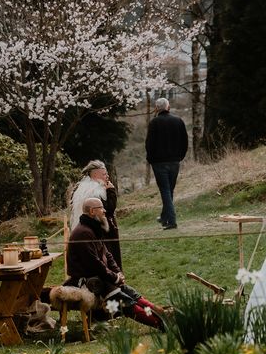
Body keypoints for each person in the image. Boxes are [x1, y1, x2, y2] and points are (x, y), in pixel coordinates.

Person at [65, 197, 164, 330]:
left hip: (100, 278)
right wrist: (114, 277)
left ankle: (164, 315)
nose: (104, 210)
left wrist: (118, 273)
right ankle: (160, 323)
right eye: (101, 208)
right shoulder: (83, 232)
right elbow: (94, 264)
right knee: (126, 303)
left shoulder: (92, 228)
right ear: (92, 211)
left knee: (132, 294)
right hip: (87, 282)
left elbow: (107, 255)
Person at [69, 160, 122, 269]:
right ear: (95, 175)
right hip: (101, 231)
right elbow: (109, 210)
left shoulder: (84, 189)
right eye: (104, 174)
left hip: (91, 230)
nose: (107, 176)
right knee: (106, 260)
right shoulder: (96, 191)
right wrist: (111, 191)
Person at [145, 97, 188, 230]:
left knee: (165, 190)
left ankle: (172, 221)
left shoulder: (154, 123)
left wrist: (151, 159)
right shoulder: (178, 121)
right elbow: (185, 141)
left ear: (157, 108)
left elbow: (149, 144)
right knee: (169, 190)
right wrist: (180, 156)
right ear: (168, 107)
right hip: (175, 161)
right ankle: (165, 217)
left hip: (158, 163)